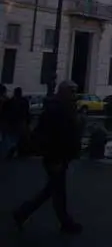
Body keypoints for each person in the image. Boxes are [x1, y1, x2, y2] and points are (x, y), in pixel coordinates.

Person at [13, 81, 83, 234]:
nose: (74, 95)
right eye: (72, 91)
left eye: (75, 91)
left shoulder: (63, 108)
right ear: (63, 92)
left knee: (52, 191)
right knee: (56, 192)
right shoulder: (56, 110)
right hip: (56, 157)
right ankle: (64, 222)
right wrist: (56, 157)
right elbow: (52, 137)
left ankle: (23, 213)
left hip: (60, 157)